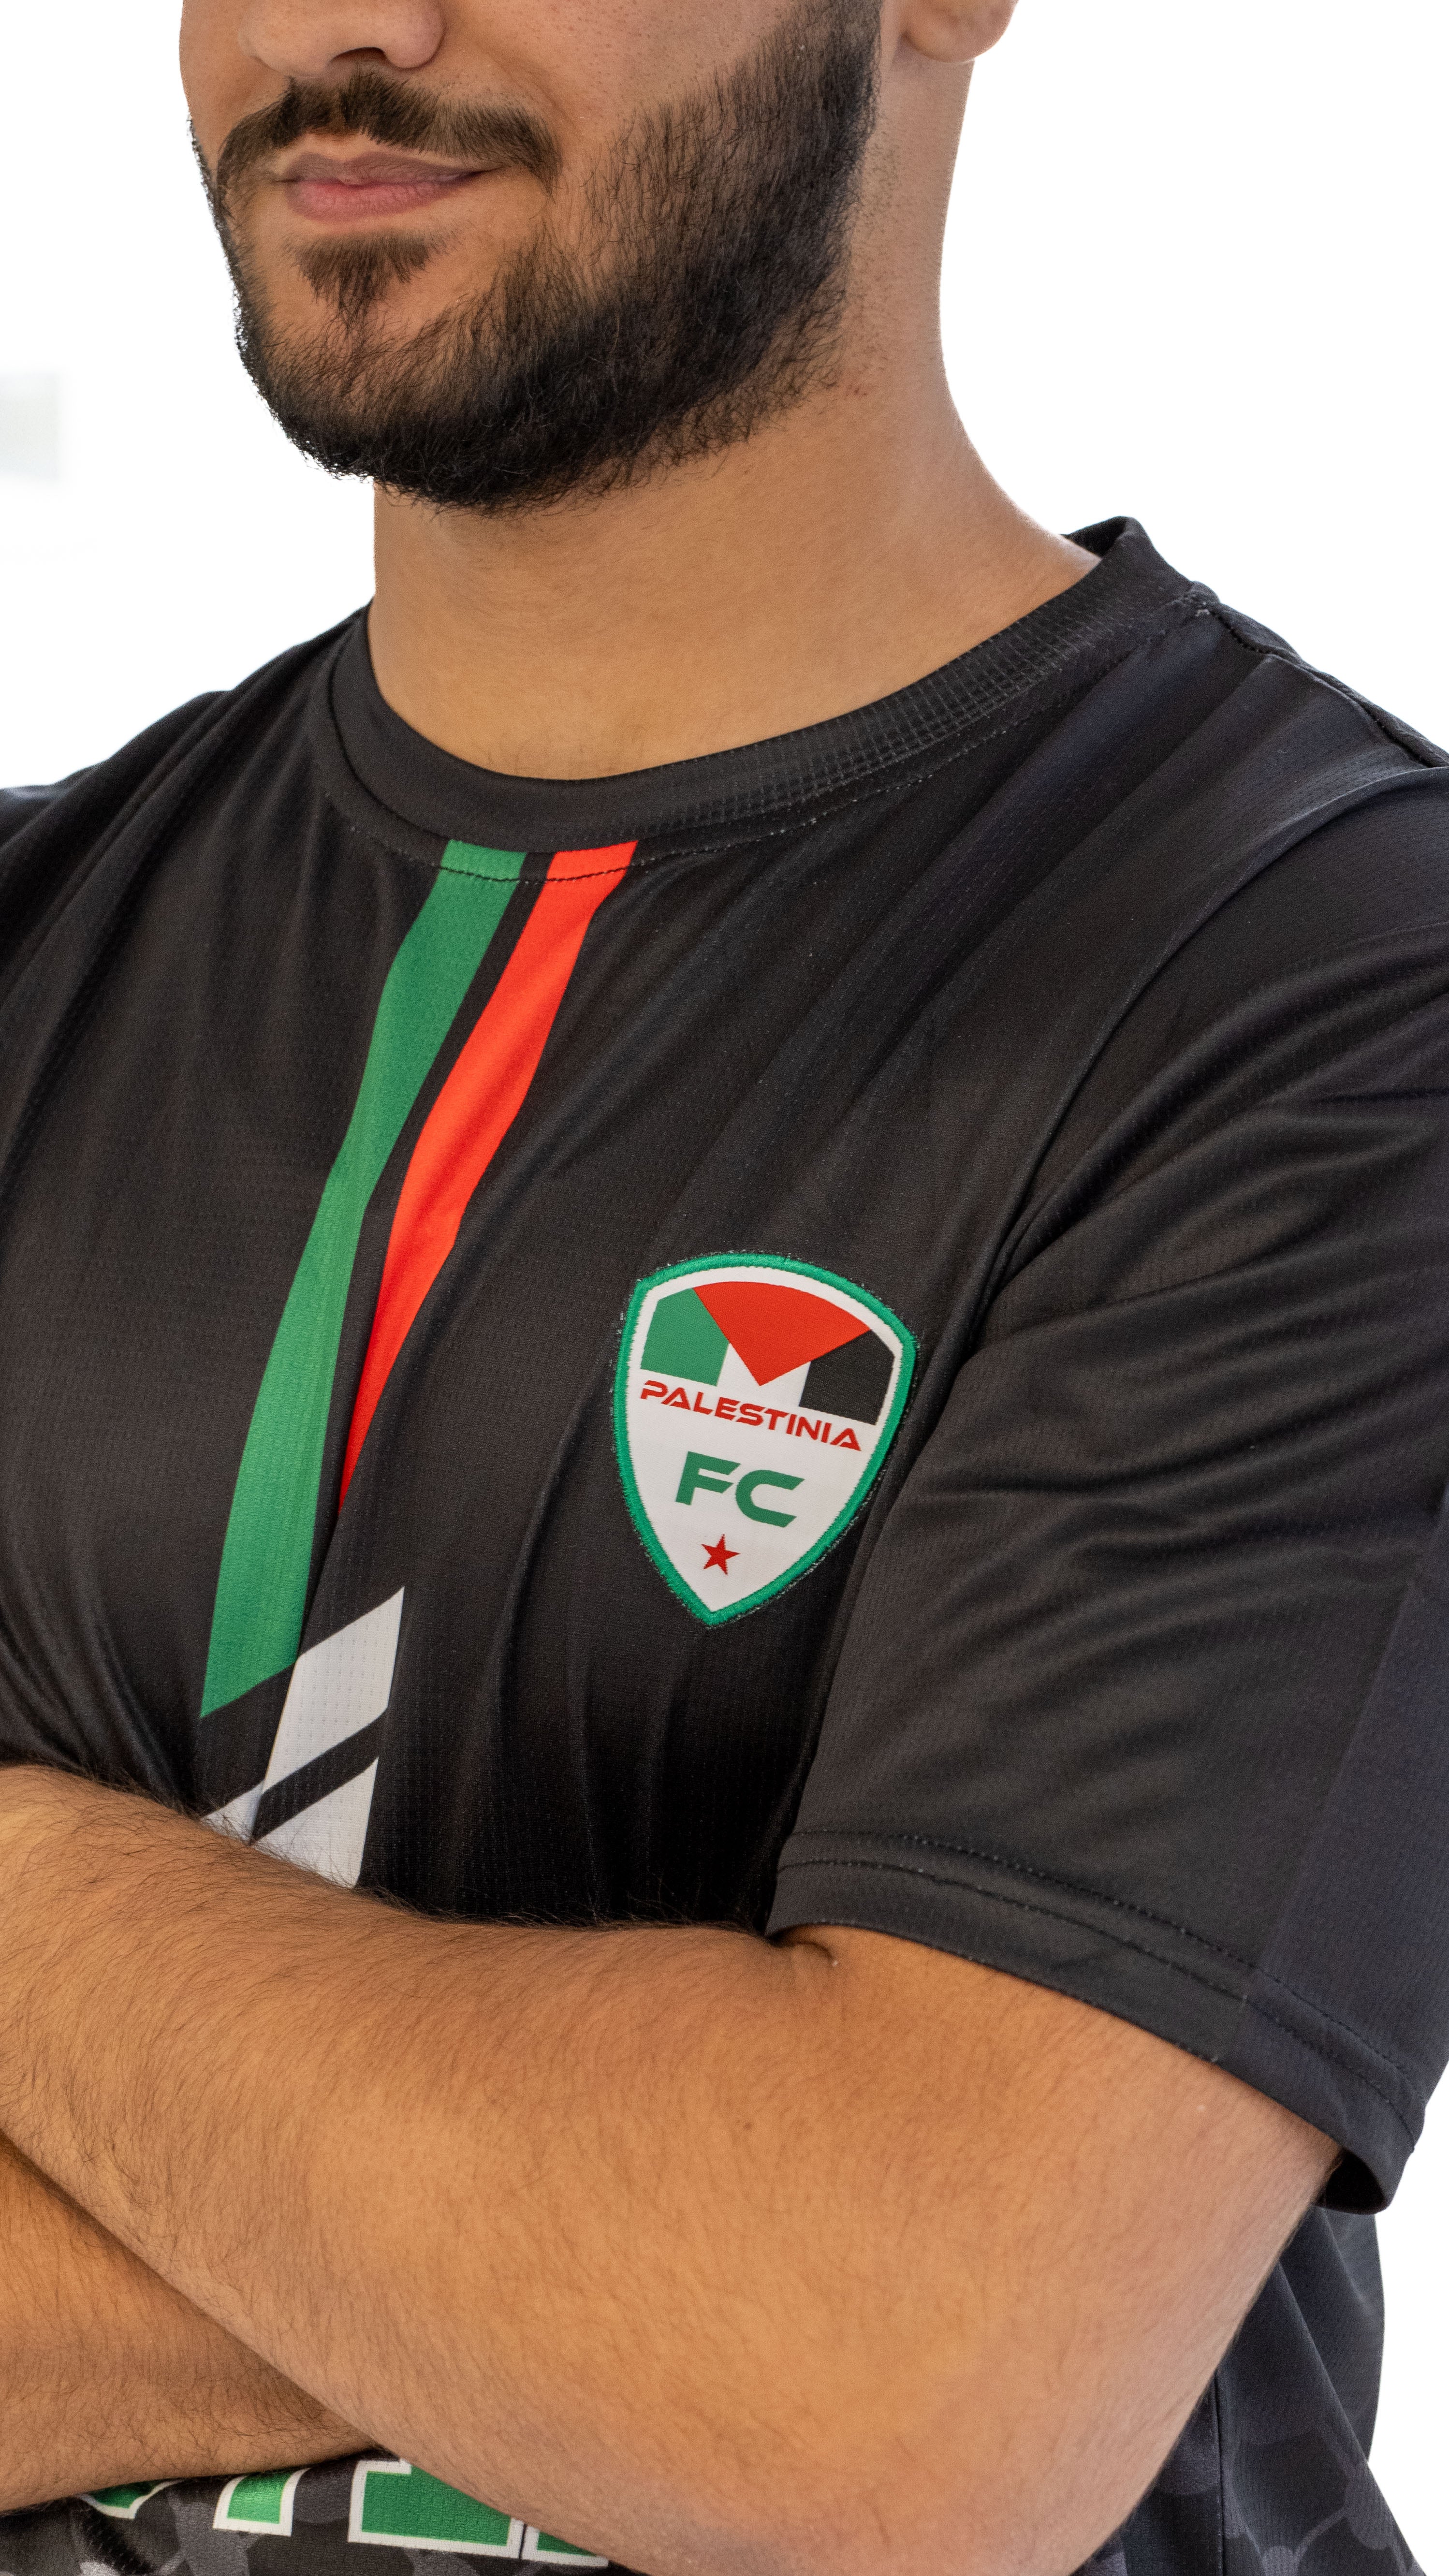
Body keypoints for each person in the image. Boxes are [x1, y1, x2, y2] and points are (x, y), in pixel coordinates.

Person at [0, 0, 1444, 2570]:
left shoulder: (1326, 991)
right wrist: (656, 2269)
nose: (343, 28)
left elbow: (900, 2387)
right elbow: (815, 2330)